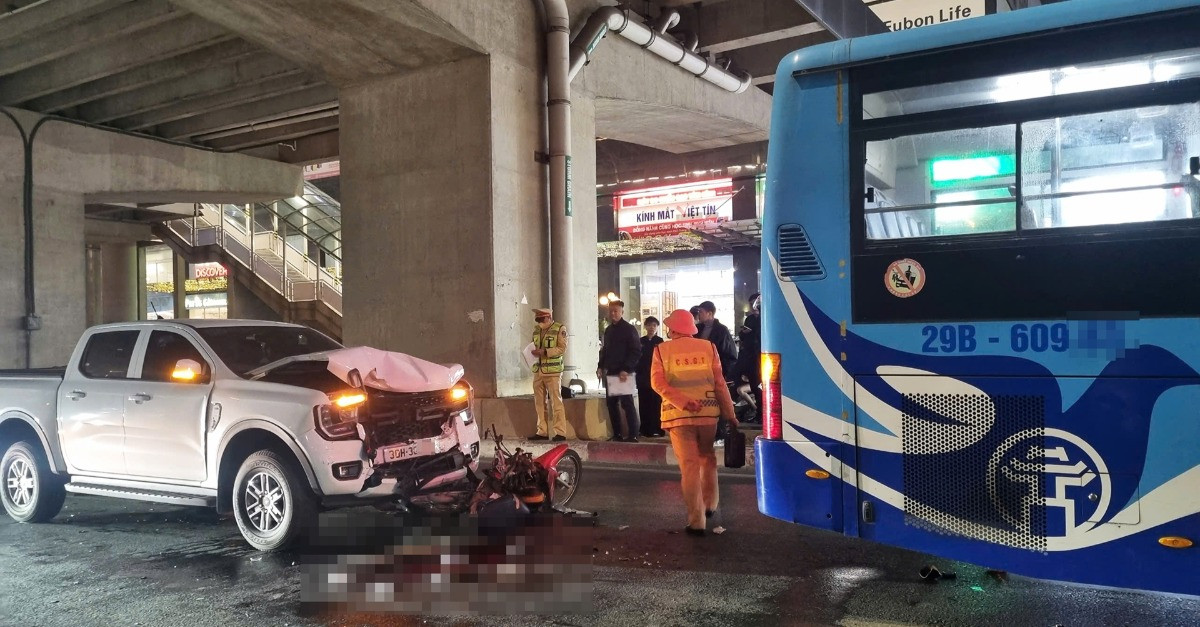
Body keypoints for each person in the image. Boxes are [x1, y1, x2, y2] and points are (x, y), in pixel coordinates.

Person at [651, 309, 738, 536]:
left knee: (689, 467)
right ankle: (710, 504)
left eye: (669, 326)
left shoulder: (661, 350)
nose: (668, 330)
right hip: (708, 415)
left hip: (678, 417)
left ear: (674, 329)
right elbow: (720, 384)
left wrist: (682, 402)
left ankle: (696, 521)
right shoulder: (708, 348)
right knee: (707, 458)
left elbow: (658, 384)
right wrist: (731, 414)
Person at [597, 299, 641, 442]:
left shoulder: (629, 329)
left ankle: (633, 434)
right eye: (611, 311)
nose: (613, 313)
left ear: (622, 312)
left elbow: (636, 351)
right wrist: (600, 366)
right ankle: (617, 434)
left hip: (624, 372)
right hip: (611, 371)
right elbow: (605, 351)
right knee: (612, 404)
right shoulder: (609, 330)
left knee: (627, 403)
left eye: (616, 311)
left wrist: (627, 369)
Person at [529, 307, 568, 442]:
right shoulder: (536, 330)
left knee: (556, 402)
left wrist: (545, 352)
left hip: (553, 372)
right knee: (539, 403)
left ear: (549, 317)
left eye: (542, 319)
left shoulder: (559, 329)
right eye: (538, 319)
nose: (540, 322)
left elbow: (562, 349)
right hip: (538, 371)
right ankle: (542, 431)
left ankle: (560, 432)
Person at [733, 293, 762, 424]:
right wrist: (743, 333)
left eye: (754, 304)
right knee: (755, 387)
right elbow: (743, 338)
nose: (753, 307)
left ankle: (762, 413)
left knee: (761, 388)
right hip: (750, 357)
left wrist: (753, 333)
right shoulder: (749, 319)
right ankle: (758, 412)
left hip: (761, 356)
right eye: (751, 304)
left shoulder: (765, 318)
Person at [635, 316, 665, 437]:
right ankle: (645, 429)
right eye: (649, 325)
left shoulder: (660, 341)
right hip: (643, 377)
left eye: (654, 325)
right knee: (644, 403)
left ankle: (658, 428)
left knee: (657, 403)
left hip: (657, 376)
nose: (651, 327)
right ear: (645, 327)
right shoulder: (640, 341)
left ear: (657, 327)